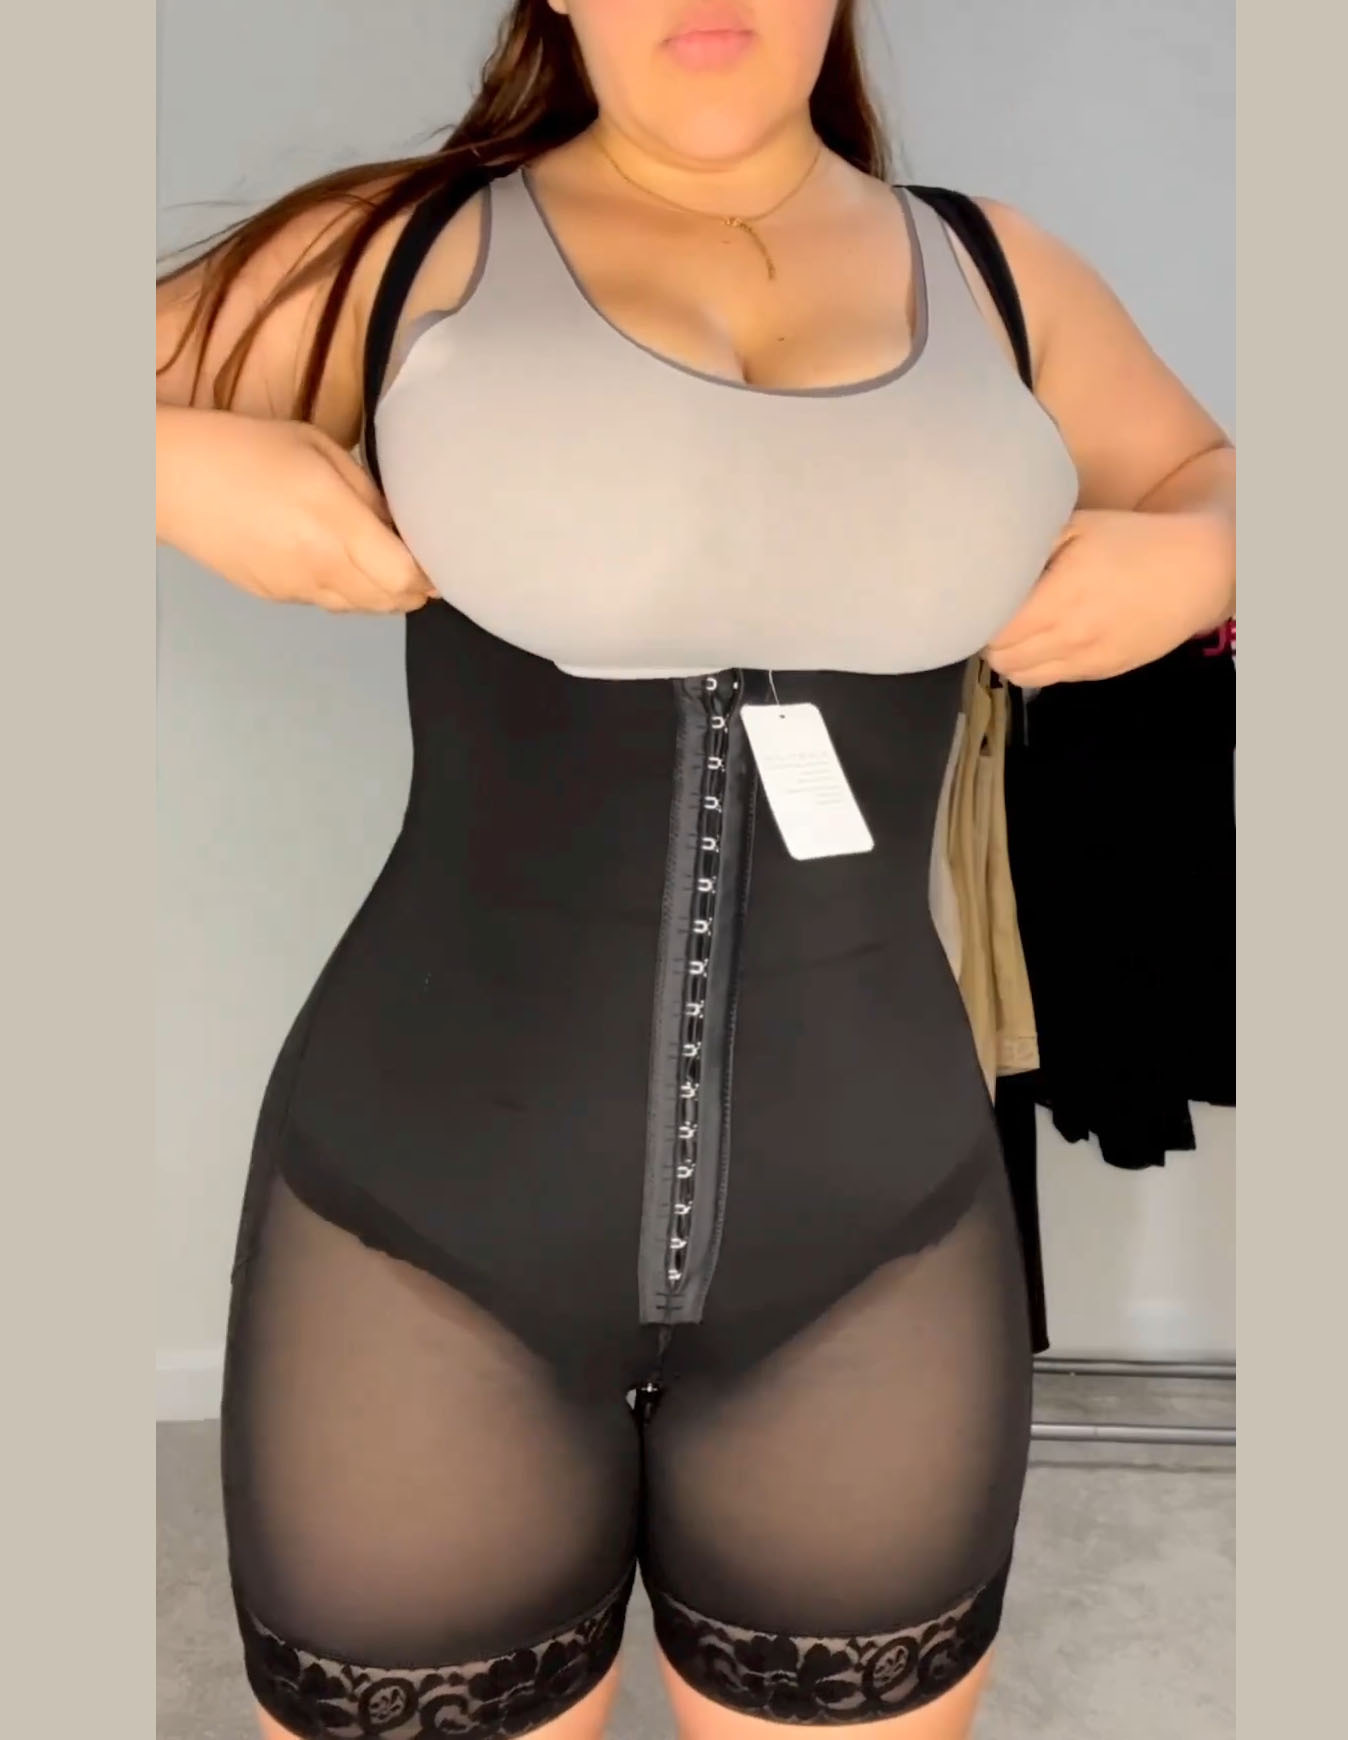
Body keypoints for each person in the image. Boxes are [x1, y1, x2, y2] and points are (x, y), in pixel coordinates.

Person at [155, 4, 1236, 1738]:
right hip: (420, 1243)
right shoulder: (400, 253)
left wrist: (1206, 552)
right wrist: (149, 455)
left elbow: (1215, 474)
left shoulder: (998, 276)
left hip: (878, 1249)